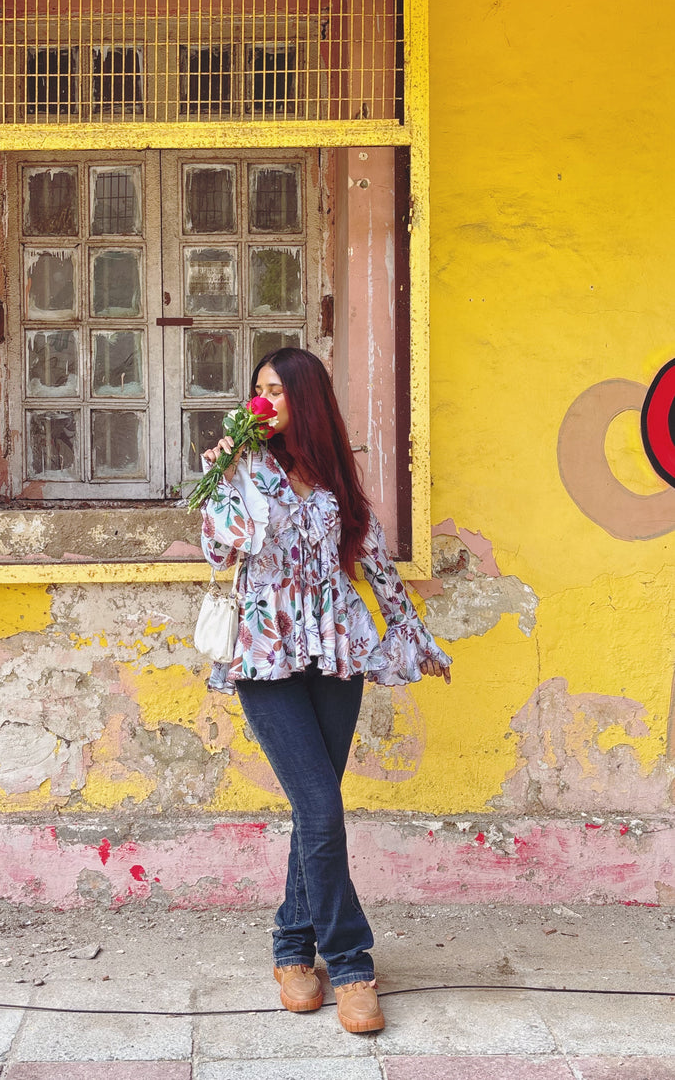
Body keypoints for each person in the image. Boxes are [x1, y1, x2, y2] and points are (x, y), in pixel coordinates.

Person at [199, 347, 451, 1034]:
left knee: (319, 809)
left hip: (335, 650)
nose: (264, 402)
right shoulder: (243, 468)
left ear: (305, 399)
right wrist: (226, 470)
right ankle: (349, 963)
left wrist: (413, 637)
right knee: (319, 805)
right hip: (265, 653)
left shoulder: (334, 478)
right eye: (257, 391)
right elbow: (221, 550)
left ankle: (291, 949)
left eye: (277, 391)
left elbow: (372, 562)